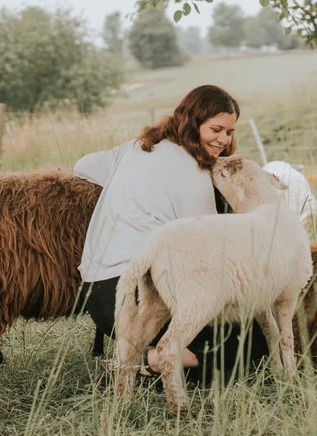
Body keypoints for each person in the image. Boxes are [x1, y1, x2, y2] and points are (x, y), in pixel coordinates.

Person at [73, 84, 240, 348]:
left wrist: (132, 183)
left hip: (96, 298)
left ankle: (142, 354)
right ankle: (150, 360)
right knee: (240, 341)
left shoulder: (136, 148)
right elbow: (211, 254)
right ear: (192, 122)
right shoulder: (194, 174)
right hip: (139, 298)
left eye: (230, 132)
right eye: (216, 130)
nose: (224, 140)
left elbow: (81, 166)